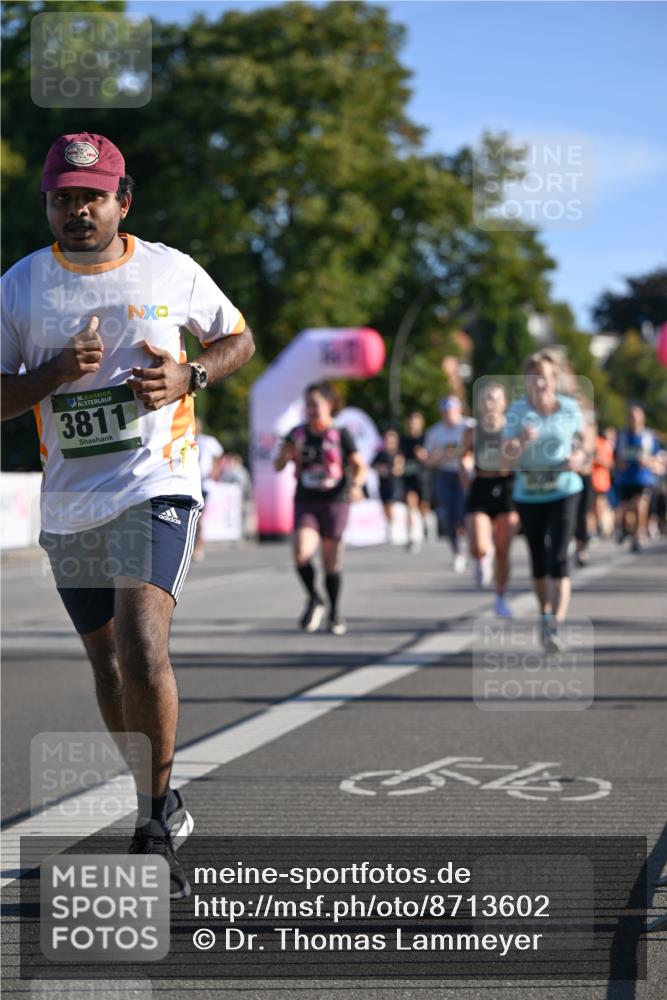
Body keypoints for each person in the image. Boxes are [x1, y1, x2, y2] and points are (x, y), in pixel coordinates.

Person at [0, 132, 255, 897]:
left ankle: (148, 823)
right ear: (47, 201)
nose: (76, 210)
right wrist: (52, 374)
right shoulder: (19, 286)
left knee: (144, 644)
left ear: (122, 200)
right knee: (109, 667)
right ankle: (164, 795)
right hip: (71, 501)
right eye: (62, 198)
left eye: (91, 197)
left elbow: (237, 338)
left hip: (158, 481)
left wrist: (190, 374)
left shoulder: (169, 269)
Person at [502, 350, 586, 652]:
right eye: (534, 375)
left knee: (559, 557)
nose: (541, 381)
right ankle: (544, 613)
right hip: (529, 492)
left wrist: (578, 456)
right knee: (538, 560)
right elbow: (505, 455)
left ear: (555, 378)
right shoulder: (517, 411)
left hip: (564, 488)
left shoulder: (569, 408)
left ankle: (555, 626)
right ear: (528, 379)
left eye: (546, 375)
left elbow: (582, 442)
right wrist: (521, 441)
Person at [274, 382, 366, 636]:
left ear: (329, 405)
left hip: (336, 501)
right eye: (308, 405)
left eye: (316, 404)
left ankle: (335, 612)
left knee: (331, 561)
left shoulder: (340, 433)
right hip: (306, 500)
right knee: (302, 553)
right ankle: (315, 598)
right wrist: (286, 453)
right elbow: (278, 465)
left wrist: (356, 484)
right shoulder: (297, 433)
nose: (311, 410)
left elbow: (359, 465)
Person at [461, 381, 519, 616]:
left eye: (494, 399)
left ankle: (501, 596)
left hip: (506, 487)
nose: (489, 404)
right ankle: (483, 557)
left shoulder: (512, 428)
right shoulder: (472, 431)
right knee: (478, 544)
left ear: (503, 403)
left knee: (504, 550)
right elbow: (463, 455)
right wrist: (465, 470)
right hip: (481, 486)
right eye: (485, 399)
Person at [425, 396, 470, 573]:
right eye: (446, 412)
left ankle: (474, 546)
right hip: (444, 474)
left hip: (465, 474)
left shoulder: (468, 426)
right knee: (448, 517)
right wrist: (438, 456)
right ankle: (457, 552)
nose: (449, 415)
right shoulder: (435, 432)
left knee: (463, 513)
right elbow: (428, 460)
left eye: (452, 411)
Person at [614, 404, 662, 552]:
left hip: (643, 479)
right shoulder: (622, 436)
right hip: (625, 479)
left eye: (637, 416)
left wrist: (647, 461)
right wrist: (619, 463)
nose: (634, 419)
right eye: (631, 416)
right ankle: (623, 529)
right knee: (625, 510)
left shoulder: (649, 437)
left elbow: (658, 458)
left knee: (641, 507)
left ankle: (637, 536)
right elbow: (614, 457)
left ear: (642, 418)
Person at [193, 416, 224, 561]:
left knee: (198, 518)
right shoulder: (183, 440)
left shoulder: (207, 441)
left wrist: (215, 472)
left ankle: (198, 547)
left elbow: (219, 455)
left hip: (203, 484)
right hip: (189, 484)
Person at [400, 411, 429, 551]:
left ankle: (424, 524)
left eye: (416, 422)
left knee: (423, 505)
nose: (413, 425)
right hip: (408, 476)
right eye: (411, 422)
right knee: (410, 505)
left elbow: (430, 457)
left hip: (423, 476)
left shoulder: (426, 438)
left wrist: (423, 455)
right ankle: (412, 536)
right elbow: (399, 457)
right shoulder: (403, 440)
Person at [371, 428, 404, 543]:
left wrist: (394, 469)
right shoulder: (381, 454)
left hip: (394, 484)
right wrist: (381, 469)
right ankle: (388, 526)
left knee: (391, 505)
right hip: (383, 484)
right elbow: (372, 465)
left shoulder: (398, 453)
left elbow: (399, 468)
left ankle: (394, 528)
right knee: (385, 505)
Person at [591, 423, 615, 539]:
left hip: (600, 480)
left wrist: (596, 458)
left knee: (599, 503)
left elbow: (610, 463)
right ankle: (592, 529)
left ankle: (600, 526)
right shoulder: (586, 442)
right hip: (588, 480)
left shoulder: (603, 443)